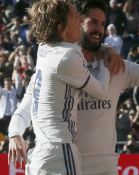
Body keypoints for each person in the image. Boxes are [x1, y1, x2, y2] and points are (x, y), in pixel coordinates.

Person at [8, 1, 139, 175]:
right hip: (65, 162)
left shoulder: (116, 66)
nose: (99, 29)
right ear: (78, 22)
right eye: (93, 22)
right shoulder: (57, 61)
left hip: (102, 168)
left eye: (103, 24)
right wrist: (14, 134)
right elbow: (25, 109)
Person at [8, 0, 113, 174]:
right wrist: (106, 54)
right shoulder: (67, 57)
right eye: (74, 15)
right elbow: (101, 91)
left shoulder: (44, 52)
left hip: (40, 155)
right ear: (60, 27)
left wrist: (14, 133)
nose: (81, 19)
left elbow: (26, 106)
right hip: (60, 153)